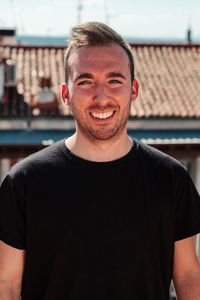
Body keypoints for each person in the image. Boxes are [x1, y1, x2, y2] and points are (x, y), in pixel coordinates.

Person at [0, 21, 200, 300]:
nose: (101, 97)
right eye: (85, 81)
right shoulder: (22, 183)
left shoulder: (172, 179)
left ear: (133, 90)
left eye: (114, 80)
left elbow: (188, 277)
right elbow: (7, 287)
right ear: (66, 94)